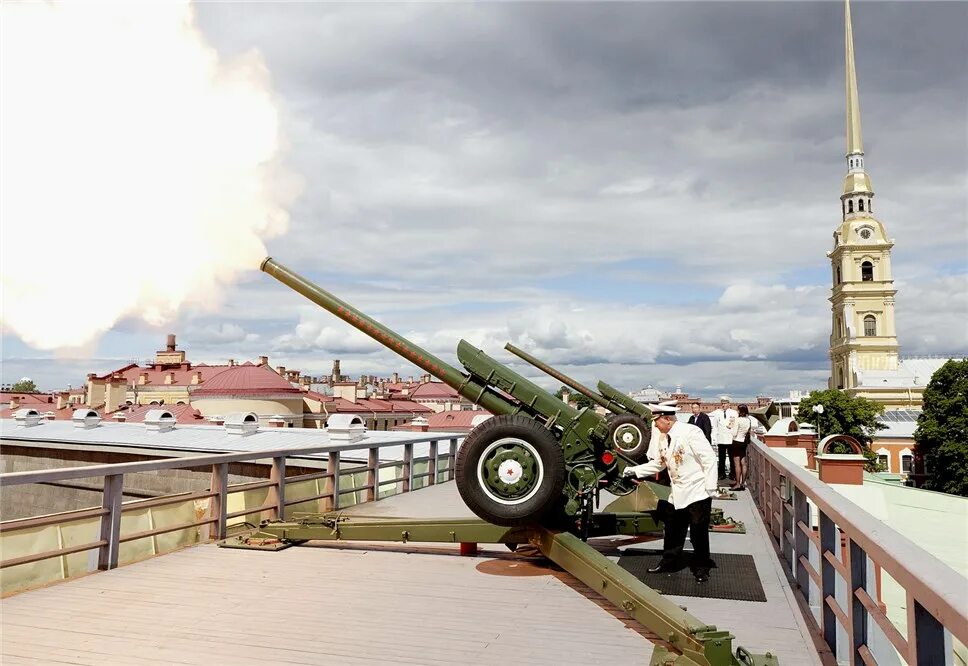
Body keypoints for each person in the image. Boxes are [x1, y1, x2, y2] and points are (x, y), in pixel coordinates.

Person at [623, 401, 718, 583]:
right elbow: (660, 463)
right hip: (678, 490)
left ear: (667, 419)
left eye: (656, 421)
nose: (655, 425)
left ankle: (701, 568)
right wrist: (634, 470)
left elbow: (709, 459)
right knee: (673, 528)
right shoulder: (664, 437)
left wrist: (711, 488)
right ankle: (669, 562)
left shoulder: (691, 432)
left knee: (698, 531)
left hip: (697, 490)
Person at [728, 405, 763, 490]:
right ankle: (743, 483)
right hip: (744, 442)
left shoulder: (737, 420)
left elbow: (734, 433)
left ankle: (737, 483)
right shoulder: (748, 420)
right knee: (743, 462)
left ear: (740, 411)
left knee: (737, 464)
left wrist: (730, 427)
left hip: (736, 442)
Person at [711, 397, 737, 481]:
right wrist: (714, 438)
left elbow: (735, 425)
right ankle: (721, 474)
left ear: (729, 404)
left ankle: (732, 474)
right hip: (721, 439)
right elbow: (715, 426)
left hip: (731, 439)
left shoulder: (734, 413)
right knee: (721, 458)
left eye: (725, 403)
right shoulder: (717, 413)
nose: (723, 405)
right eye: (722, 403)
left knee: (732, 457)